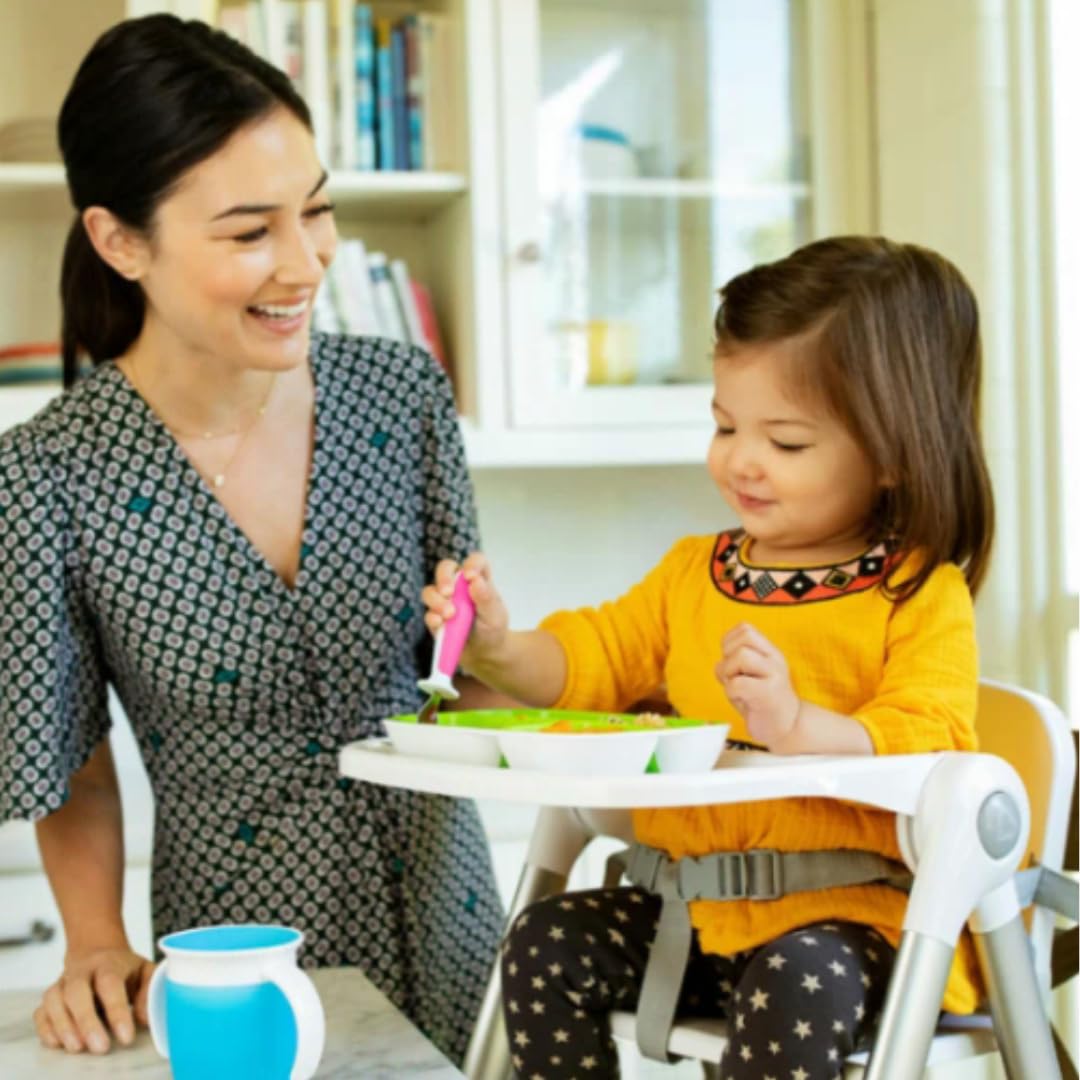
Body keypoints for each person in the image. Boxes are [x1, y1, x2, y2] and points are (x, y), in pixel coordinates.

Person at [0, 14, 504, 1065]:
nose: (305, 261)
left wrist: (513, 654)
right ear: (119, 240)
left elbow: (472, 675)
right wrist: (95, 941)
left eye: (316, 211)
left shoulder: (401, 397)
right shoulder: (50, 473)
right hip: (239, 956)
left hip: (455, 928)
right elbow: (72, 757)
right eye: (248, 231)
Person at [422, 235, 996, 1079]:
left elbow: (932, 732)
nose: (741, 459)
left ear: (894, 455)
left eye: (787, 442)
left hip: (844, 928)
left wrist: (799, 725)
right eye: (725, 424)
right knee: (541, 943)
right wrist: (499, 644)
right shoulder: (696, 572)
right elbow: (590, 663)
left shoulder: (917, 590)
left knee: (798, 983)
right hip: (692, 916)